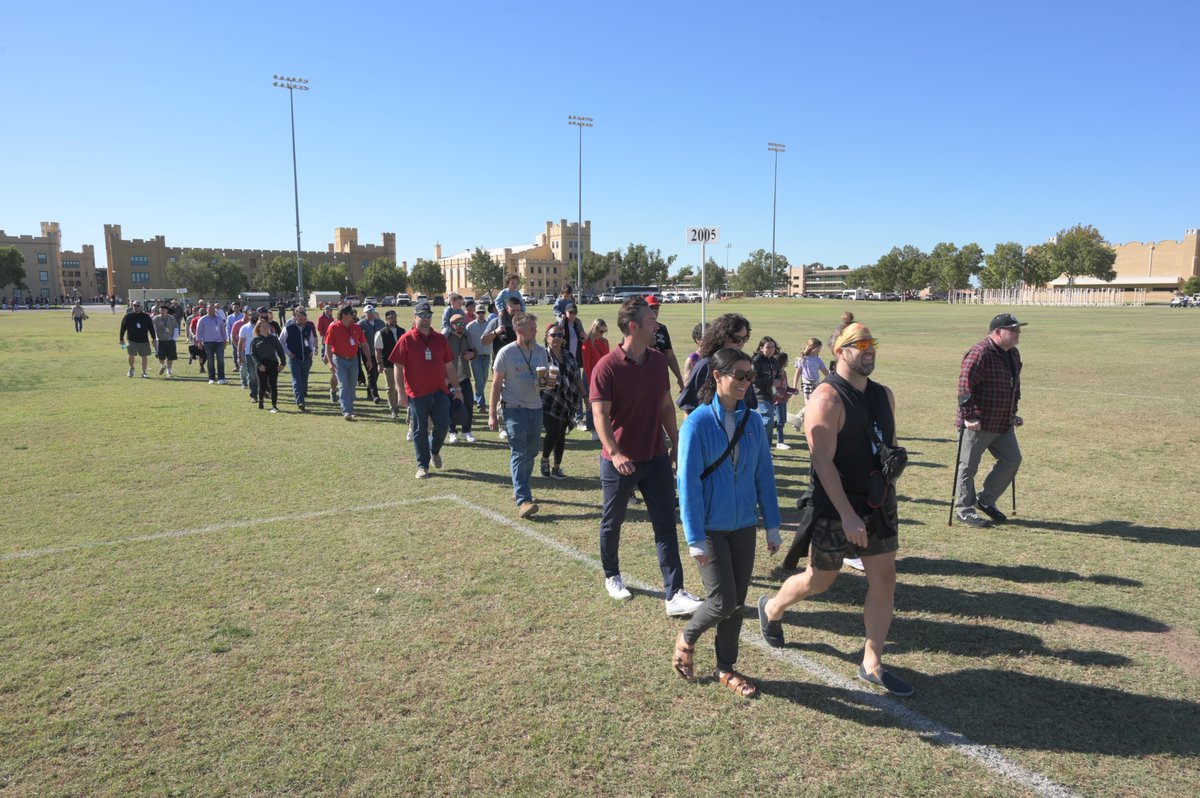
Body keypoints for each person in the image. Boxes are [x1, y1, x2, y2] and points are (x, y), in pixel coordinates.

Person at [758, 323, 913, 697]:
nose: (869, 349)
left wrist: (894, 463)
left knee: (885, 578)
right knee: (820, 581)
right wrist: (847, 515)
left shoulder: (884, 395)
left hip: (877, 503)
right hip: (835, 506)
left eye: (872, 343)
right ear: (840, 352)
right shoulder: (827, 399)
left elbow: (888, 442)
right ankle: (772, 608)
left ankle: (872, 660)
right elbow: (823, 463)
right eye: (859, 344)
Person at [674, 348, 782, 698]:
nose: (745, 382)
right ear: (717, 376)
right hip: (711, 527)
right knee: (722, 600)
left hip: (745, 526)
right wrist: (694, 537)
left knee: (738, 603)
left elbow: (764, 475)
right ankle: (688, 636)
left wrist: (772, 525)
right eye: (739, 375)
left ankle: (726, 667)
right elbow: (687, 484)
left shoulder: (753, 421)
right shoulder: (697, 423)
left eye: (749, 376)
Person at [590, 296, 704, 616]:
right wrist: (614, 453)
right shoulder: (607, 366)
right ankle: (612, 575)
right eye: (651, 321)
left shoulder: (656, 361)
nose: (657, 325)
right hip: (620, 462)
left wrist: (676, 441)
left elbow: (666, 403)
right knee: (612, 522)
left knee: (666, 523)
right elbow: (600, 415)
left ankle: (675, 593)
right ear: (633, 326)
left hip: (655, 457)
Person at [954, 313, 1026, 528]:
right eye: (1012, 330)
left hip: (1003, 423)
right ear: (997, 332)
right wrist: (969, 417)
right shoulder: (979, 353)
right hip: (978, 423)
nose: (1017, 334)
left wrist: (1012, 413)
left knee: (1012, 460)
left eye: (1018, 330)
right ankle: (964, 510)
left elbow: (1015, 388)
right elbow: (964, 388)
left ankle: (985, 500)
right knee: (968, 467)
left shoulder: (1012, 354)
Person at [391, 301, 462, 478]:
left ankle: (434, 450)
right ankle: (423, 466)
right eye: (422, 316)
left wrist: (457, 387)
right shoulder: (406, 339)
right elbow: (398, 366)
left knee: (444, 425)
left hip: (440, 391)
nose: (425, 319)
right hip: (416, 394)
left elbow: (449, 366)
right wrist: (400, 392)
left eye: (428, 316)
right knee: (420, 429)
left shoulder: (439, 339)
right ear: (415, 317)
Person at [489, 312, 549, 517]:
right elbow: (496, 386)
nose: (535, 330)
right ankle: (524, 499)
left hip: (535, 407)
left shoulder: (541, 351)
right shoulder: (506, 353)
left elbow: (544, 379)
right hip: (513, 409)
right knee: (519, 451)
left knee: (531, 452)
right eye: (532, 327)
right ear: (519, 329)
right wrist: (491, 415)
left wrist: (548, 382)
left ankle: (519, 486)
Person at [677, 314, 753, 414]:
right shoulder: (706, 365)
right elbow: (689, 407)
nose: (741, 343)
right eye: (736, 339)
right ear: (722, 337)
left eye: (744, 339)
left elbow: (749, 405)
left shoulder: (743, 364)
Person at [540, 321, 587, 479]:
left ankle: (557, 467)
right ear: (547, 338)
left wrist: (585, 397)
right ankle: (545, 459)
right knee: (553, 431)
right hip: (547, 400)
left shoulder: (569, 355)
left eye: (560, 335)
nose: (557, 338)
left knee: (561, 434)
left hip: (568, 401)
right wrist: (545, 382)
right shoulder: (542, 355)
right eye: (553, 335)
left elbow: (577, 379)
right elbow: (537, 379)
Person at [325, 305, 365, 420]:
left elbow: (364, 343)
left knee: (352, 386)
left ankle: (350, 408)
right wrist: (330, 362)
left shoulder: (356, 327)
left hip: (353, 359)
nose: (353, 315)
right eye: (350, 313)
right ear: (343, 315)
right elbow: (328, 345)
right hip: (339, 359)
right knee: (343, 385)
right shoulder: (333, 327)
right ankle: (346, 410)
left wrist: (368, 358)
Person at [445, 310, 477, 444]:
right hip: (449, 378)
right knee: (450, 405)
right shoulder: (445, 336)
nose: (461, 326)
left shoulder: (467, 335)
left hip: (464, 376)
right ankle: (452, 432)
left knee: (469, 403)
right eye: (458, 323)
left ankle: (466, 431)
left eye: (463, 323)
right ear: (452, 324)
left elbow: (474, 350)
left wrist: (472, 354)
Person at [645, 295, 684, 392]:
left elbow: (670, 356)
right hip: (643, 375)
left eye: (656, 308)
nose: (654, 311)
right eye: (651, 308)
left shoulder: (662, 329)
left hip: (660, 375)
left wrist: (679, 377)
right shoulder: (638, 328)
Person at [580, 318, 610, 439]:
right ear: (595, 329)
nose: (602, 333)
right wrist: (590, 380)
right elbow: (586, 364)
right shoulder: (587, 343)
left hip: (603, 376)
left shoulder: (605, 342)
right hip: (590, 375)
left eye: (604, 331)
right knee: (590, 402)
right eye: (600, 331)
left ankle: (603, 426)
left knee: (603, 401)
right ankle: (592, 428)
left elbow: (608, 359)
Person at [281, 308, 316, 411]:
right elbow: (281, 341)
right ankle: (300, 401)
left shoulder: (308, 328)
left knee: (304, 378)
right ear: (296, 318)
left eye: (305, 319)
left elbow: (311, 341)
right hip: (294, 358)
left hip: (306, 358)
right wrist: (288, 353)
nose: (303, 321)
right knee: (297, 379)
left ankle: (303, 392)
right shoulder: (288, 328)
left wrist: (311, 351)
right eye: (301, 319)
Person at [374, 309, 405, 419]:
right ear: (386, 319)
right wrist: (379, 363)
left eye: (395, 317)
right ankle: (393, 408)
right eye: (391, 318)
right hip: (388, 364)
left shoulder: (402, 331)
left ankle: (398, 404)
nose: (394, 319)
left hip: (401, 364)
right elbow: (378, 350)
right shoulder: (381, 333)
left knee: (400, 386)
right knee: (390, 387)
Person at [751, 336, 783, 435]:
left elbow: (778, 375)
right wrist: (771, 381)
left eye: (773, 347)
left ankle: (765, 448)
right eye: (768, 347)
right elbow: (753, 379)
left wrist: (777, 380)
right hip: (759, 395)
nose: (771, 350)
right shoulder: (756, 360)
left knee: (768, 420)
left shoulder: (774, 361)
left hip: (770, 395)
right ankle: (762, 445)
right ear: (761, 348)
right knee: (769, 420)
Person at [251, 320, 286, 412]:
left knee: (273, 385)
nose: (265, 328)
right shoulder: (255, 340)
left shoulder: (273, 338)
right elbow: (253, 354)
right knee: (262, 386)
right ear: (259, 328)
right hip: (261, 365)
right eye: (263, 326)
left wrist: (283, 363)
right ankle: (261, 401)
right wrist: (259, 365)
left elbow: (280, 351)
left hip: (273, 364)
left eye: (267, 326)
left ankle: (274, 405)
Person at [465, 303, 492, 412]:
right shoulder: (470, 326)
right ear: (475, 313)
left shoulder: (490, 325)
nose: (480, 314)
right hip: (476, 357)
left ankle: (477, 398)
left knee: (484, 380)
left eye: (482, 312)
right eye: (478, 312)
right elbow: (466, 341)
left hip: (487, 356)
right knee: (479, 380)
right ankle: (481, 405)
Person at [118, 300, 156, 378]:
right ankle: (131, 368)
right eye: (134, 306)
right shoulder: (128, 316)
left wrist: (154, 338)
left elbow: (151, 328)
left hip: (144, 340)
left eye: (137, 306)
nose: (136, 307)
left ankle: (144, 372)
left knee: (144, 356)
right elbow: (123, 328)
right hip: (131, 340)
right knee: (130, 355)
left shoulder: (146, 317)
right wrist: (121, 339)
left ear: (141, 307)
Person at [194, 303, 229, 384]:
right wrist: (199, 342)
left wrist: (225, 341)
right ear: (206, 309)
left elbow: (223, 331)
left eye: (213, 309)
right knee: (210, 360)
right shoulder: (202, 319)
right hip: (208, 342)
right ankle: (212, 378)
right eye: (210, 309)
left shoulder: (219, 319)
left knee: (220, 360)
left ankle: (221, 378)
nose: (212, 310)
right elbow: (198, 332)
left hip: (219, 342)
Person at [358, 305, 385, 405]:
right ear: (364, 313)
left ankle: (369, 393)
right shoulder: (361, 324)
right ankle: (375, 396)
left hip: (379, 353)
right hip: (367, 353)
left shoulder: (380, 323)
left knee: (376, 374)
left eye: (372, 311)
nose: (370, 313)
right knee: (371, 373)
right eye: (368, 312)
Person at [771, 351, 798, 450]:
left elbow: (786, 387)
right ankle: (780, 442)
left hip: (783, 401)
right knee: (780, 421)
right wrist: (782, 395)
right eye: (787, 360)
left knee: (783, 421)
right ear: (782, 361)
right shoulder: (776, 373)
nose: (788, 361)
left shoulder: (784, 372)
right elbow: (773, 388)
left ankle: (766, 428)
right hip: (777, 401)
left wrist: (792, 390)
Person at [316, 303, 339, 405]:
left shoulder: (332, 319)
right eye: (329, 310)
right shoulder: (322, 318)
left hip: (342, 355)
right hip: (326, 339)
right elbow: (319, 328)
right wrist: (323, 335)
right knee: (335, 375)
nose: (330, 312)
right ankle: (333, 392)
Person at [152, 304, 179, 377]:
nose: (162, 311)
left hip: (170, 340)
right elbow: (153, 329)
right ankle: (163, 366)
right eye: (161, 310)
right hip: (160, 340)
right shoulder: (155, 318)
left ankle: (169, 371)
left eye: (163, 310)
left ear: (167, 311)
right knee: (160, 356)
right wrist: (155, 338)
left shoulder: (172, 318)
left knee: (170, 357)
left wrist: (174, 339)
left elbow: (176, 328)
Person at [225, 302, 244, 373]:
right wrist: (229, 337)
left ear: (239, 308)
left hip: (242, 337)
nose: (235, 308)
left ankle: (243, 365)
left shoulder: (243, 316)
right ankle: (236, 366)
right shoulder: (229, 317)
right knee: (234, 352)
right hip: (233, 338)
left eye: (236, 307)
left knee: (243, 351)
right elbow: (228, 327)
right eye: (233, 307)